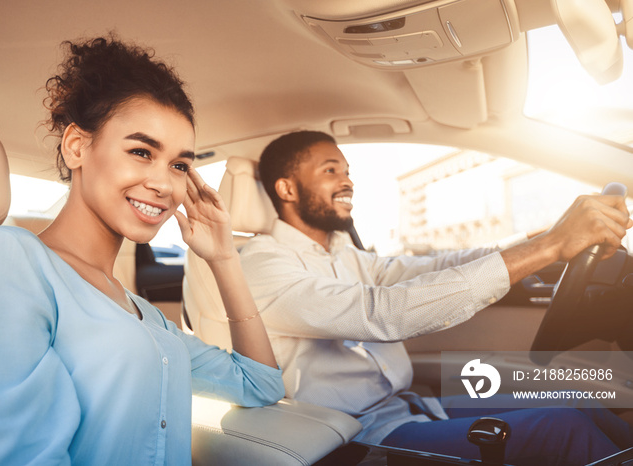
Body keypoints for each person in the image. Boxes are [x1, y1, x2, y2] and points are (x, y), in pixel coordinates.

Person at [0, 36, 283, 465]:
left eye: (179, 165)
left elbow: (260, 384)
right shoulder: (5, 260)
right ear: (77, 147)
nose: (163, 184)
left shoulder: (143, 314)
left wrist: (224, 258)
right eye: (141, 151)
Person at [239, 130, 633, 465]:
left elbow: (432, 267)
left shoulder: (344, 252)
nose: (347, 182)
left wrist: (544, 237)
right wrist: (549, 248)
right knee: (561, 429)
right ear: (286, 188)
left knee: (573, 400)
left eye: (347, 171)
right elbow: (380, 314)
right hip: (356, 438)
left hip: (410, 406)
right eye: (330, 171)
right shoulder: (262, 265)